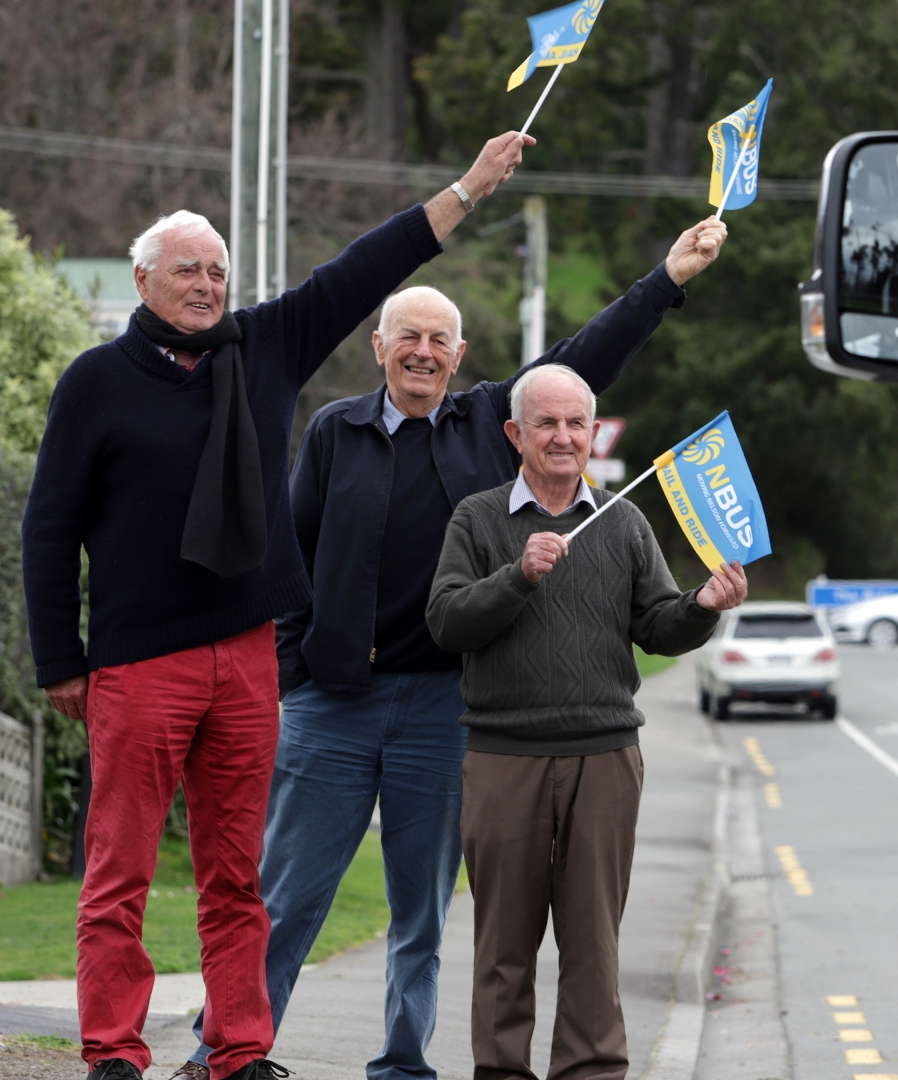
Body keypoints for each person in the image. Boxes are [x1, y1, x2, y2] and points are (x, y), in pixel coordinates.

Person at [21, 130, 534, 1080]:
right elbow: (48, 526)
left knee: (238, 877)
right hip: (138, 663)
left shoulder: (263, 346)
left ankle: (240, 1052)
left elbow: (367, 264)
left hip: (247, 656)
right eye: (187, 271)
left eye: (218, 271)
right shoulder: (95, 383)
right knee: (119, 872)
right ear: (143, 281)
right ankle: (112, 1053)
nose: (207, 286)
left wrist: (467, 187)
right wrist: (60, 657)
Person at [177, 219, 730, 1080]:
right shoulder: (333, 433)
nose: (424, 353)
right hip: (333, 703)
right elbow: (286, 553)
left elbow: (586, 361)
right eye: (409, 339)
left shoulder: (487, 427)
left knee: (422, 913)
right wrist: (292, 671)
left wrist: (665, 277)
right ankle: (224, 1053)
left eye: (439, 340)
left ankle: (402, 1064)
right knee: (283, 897)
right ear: (379, 348)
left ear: (460, 352)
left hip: (443, 707)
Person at [425, 364, 748, 1080]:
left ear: (596, 433)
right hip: (504, 758)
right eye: (547, 423)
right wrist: (517, 576)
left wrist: (701, 606)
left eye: (577, 423)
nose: (564, 436)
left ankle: (592, 1070)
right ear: (516, 434)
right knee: (502, 948)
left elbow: (658, 628)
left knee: (593, 944)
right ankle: (501, 1071)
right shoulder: (477, 519)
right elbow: (446, 622)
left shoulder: (624, 521)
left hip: (604, 758)